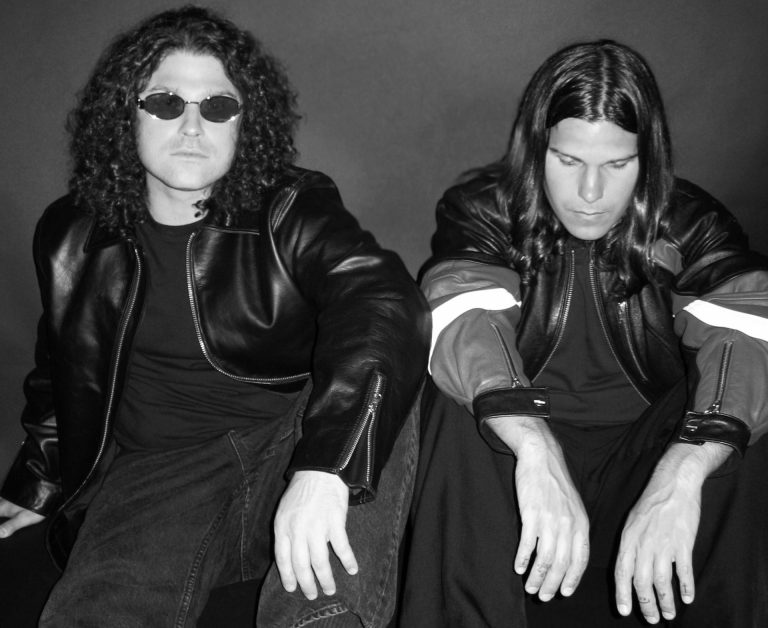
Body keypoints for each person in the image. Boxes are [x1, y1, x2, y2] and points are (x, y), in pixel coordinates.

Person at [0, 6, 429, 627]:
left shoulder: (290, 208)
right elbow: (61, 368)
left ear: (244, 123)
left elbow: (381, 300)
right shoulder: (70, 234)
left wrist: (327, 466)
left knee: (382, 372)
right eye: (165, 103)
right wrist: (37, 485)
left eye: (219, 107)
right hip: (159, 471)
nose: (193, 126)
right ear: (126, 115)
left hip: (291, 437)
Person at [399, 40, 768, 627]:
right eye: (568, 161)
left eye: (617, 165)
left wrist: (685, 469)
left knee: (737, 420)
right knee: (454, 393)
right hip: (522, 458)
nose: (590, 194)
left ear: (648, 159)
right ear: (536, 149)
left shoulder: (690, 221)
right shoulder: (485, 211)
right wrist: (533, 444)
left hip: (642, 458)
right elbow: (464, 309)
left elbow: (746, 327)